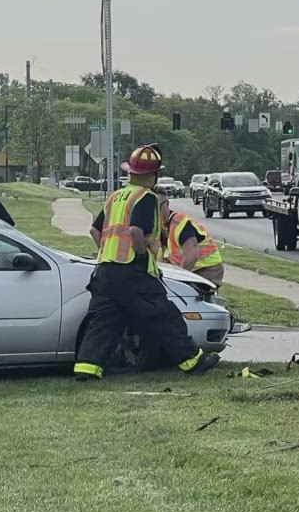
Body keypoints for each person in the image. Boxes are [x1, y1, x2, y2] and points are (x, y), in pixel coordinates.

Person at [72, 144, 220, 381]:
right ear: (152, 175)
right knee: (164, 315)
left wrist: (107, 250)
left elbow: (94, 229)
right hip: (133, 270)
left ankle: (86, 368)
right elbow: (135, 230)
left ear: (130, 172)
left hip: (105, 271)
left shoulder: (115, 197)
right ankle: (193, 361)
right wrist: (141, 255)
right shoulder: (146, 197)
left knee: (104, 321)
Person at [159, 200, 225, 290]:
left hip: (207, 269)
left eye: (158, 207)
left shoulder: (180, 224)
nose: (155, 211)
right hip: (195, 270)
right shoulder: (163, 226)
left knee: (189, 298)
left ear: (166, 204)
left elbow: (192, 256)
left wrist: (178, 279)